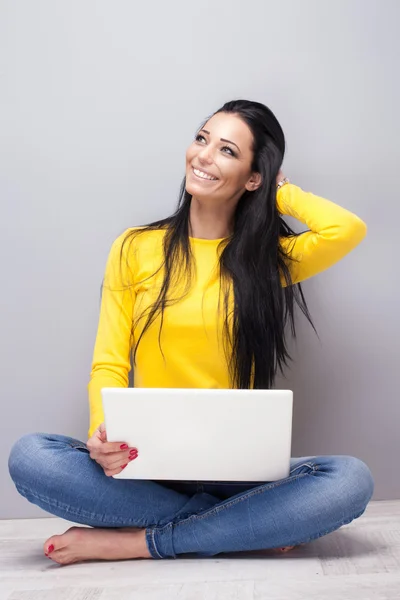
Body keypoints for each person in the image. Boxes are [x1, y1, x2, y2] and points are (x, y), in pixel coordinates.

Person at [8, 99, 374, 565]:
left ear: (252, 175)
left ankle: (139, 542)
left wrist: (277, 192)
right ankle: (247, 525)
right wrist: (104, 435)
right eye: (202, 139)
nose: (203, 156)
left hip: (240, 474)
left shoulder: (268, 261)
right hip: (145, 469)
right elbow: (109, 363)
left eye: (226, 151)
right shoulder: (135, 247)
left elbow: (347, 229)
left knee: (351, 479)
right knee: (31, 457)